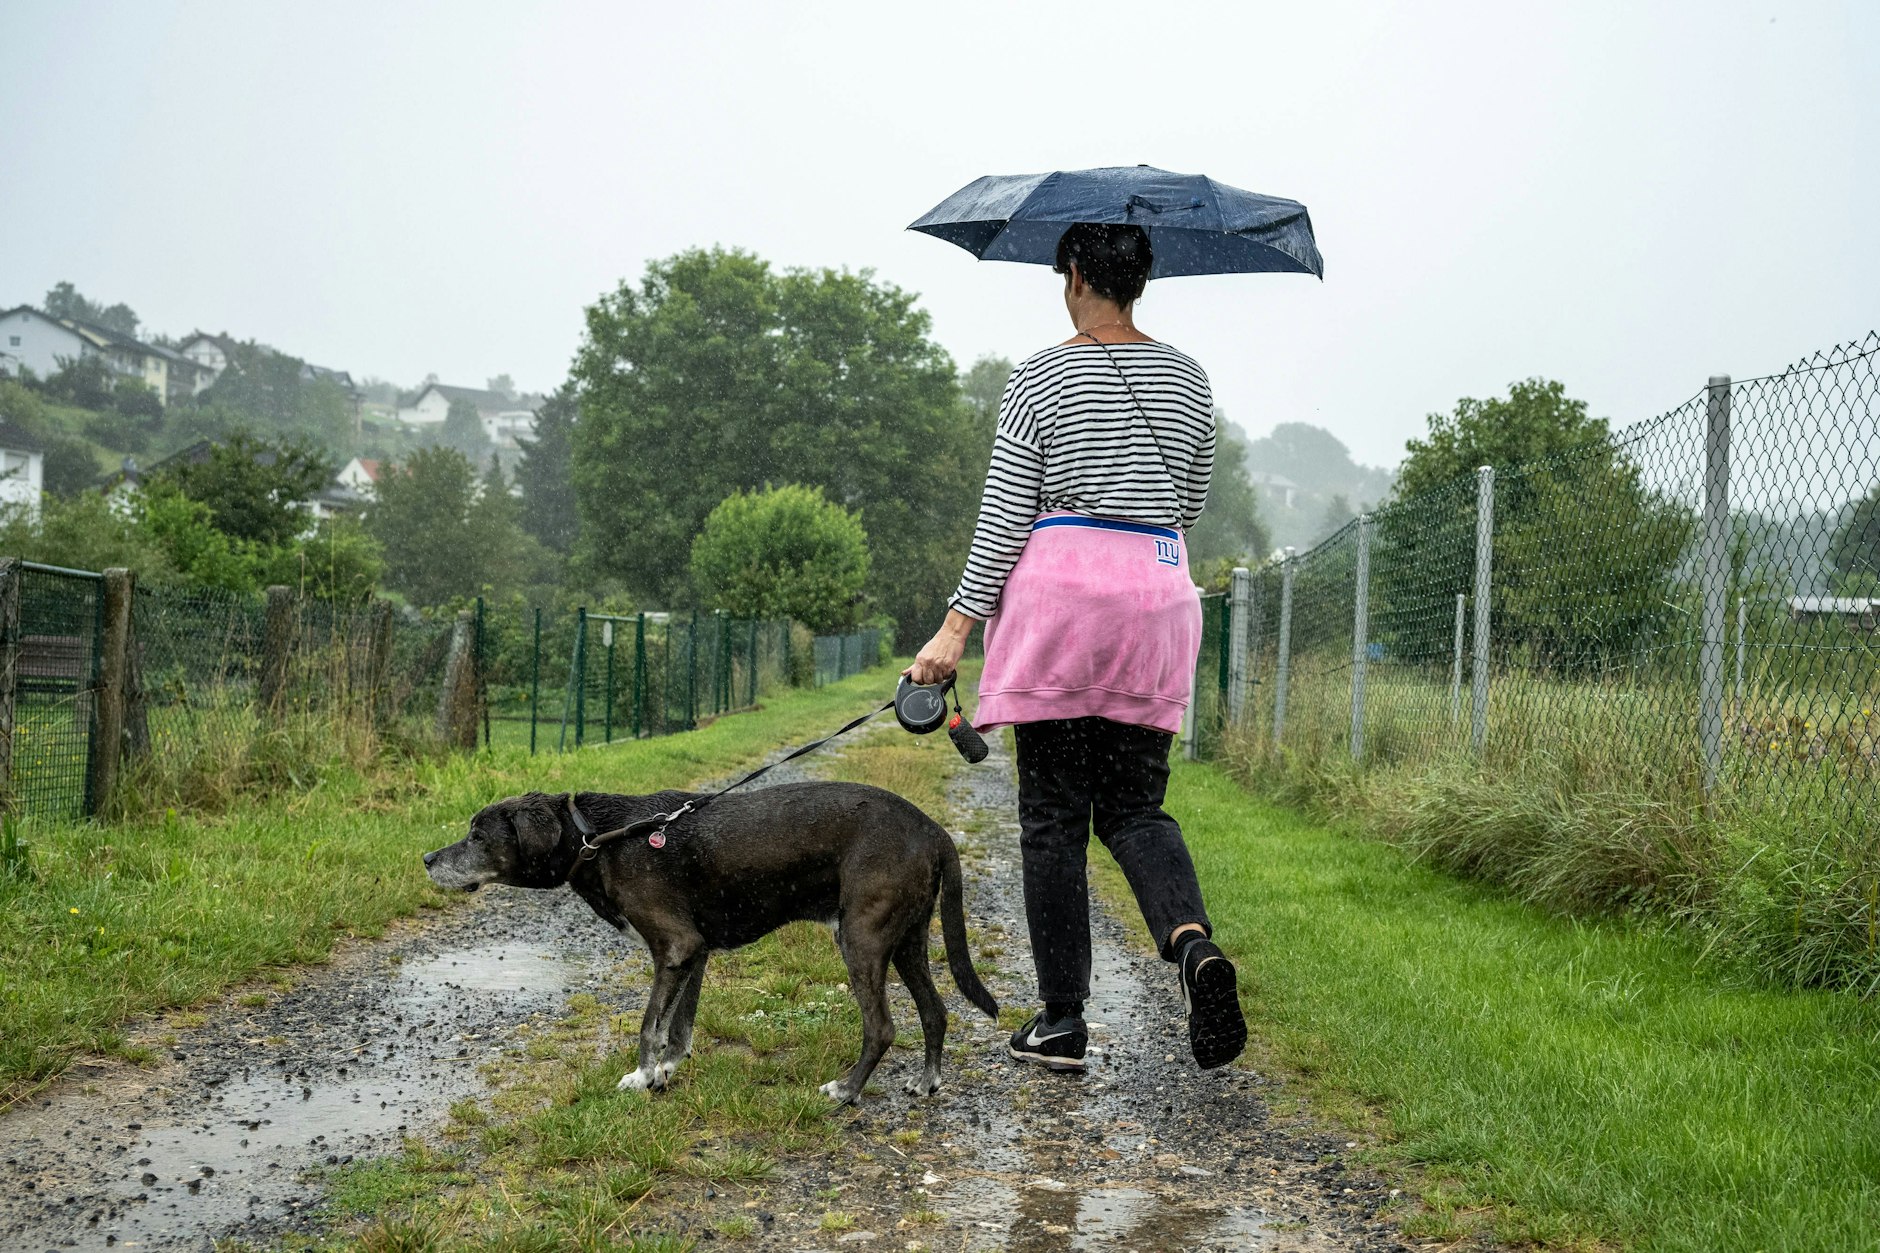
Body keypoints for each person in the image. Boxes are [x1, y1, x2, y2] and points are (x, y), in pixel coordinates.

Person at [905, 221, 1248, 1073]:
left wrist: (955, 628)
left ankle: (1062, 1019)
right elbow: (1189, 503)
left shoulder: (1040, 374)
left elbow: (1005, 512)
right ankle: (1193, 945)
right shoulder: (1191, 378)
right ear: (1142, 280)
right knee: (1135, 807)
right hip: (1156, 602)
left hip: (1062, 609)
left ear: (1074, 275)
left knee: (1054, 817)